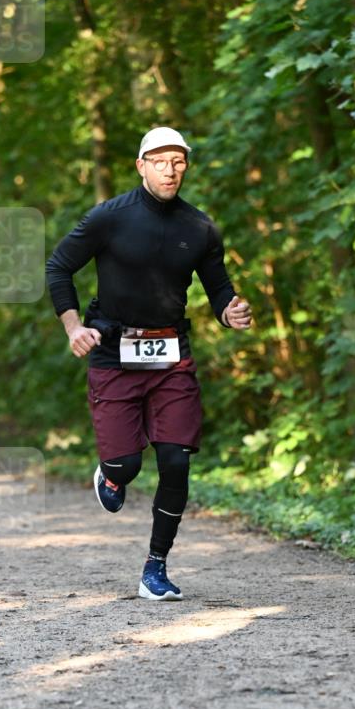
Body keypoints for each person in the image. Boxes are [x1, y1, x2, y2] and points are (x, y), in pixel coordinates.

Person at [46, 126, 252, 600]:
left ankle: (155, 569)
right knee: (127, 461)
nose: (170, 169)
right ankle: (113, 472)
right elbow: (58, 266)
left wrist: (230, 310)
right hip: (114, 350)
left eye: (178, 161)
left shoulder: (199, 227)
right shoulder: (109, 218)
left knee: (176, 461)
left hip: (171, 353)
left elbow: (219, 288)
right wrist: (74, 327)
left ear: (186, 167)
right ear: (141, 166)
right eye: (160, 160)